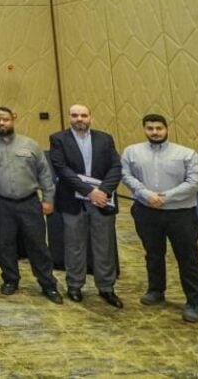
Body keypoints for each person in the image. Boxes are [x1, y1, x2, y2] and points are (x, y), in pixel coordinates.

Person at [121, 113, 198, 323]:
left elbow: (195, 182)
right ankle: (156, 290)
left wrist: (166, 197)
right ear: (144, 129)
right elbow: (126, 175)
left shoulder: (186, 153)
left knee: (187, 257)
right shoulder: (132, 152)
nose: (155, 132)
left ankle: (194, 302)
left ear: (167, 129)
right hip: (146, 210)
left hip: (181, 214)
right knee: (153, 254)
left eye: (159, 128)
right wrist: (146, 194)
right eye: (150, 128)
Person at [0, 107, 62, 303]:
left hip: (29, 202)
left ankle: (48, 284)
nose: (1, 123)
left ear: (14, 119)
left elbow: (45, 174)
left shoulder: (30, 144)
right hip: (0, 203)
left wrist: (48, 199)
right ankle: (10, 279)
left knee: (37, 244)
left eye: (5, 119)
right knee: (4, 244)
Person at [49, 104, 123, 307]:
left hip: (102, 201)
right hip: (73, 201)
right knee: (74, 245)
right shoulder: (58, 139)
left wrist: (103, 191)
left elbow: (116, 166)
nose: (79, 119)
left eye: (83, 115)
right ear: (69, 118)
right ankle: (74, 285)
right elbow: (62, 169)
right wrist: (89, 191)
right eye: (75, 115)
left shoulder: (105, 139)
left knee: (104, 246)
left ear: (91, 117)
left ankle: (106, 287)